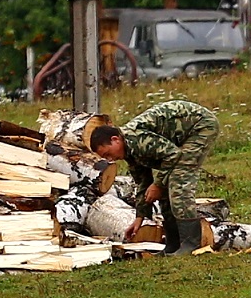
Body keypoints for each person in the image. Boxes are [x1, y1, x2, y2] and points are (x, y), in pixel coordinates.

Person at [91, 97, 220, 252]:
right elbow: (143, 182)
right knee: (164, 185)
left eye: (108, 154)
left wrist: (157, 184)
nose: (110, 159)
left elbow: (173, 155)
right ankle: (173, 243)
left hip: (200, 126)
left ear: (115, 139)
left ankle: (191, 243)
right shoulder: (129, 151)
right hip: (180, 139)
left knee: (179, 181)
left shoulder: (137, 139)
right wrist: (140, 217)